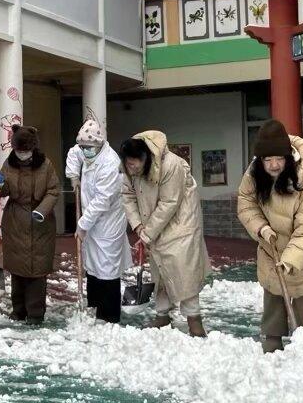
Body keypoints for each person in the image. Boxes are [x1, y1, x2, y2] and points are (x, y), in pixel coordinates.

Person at [237, 119, 303, 352]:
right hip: (272, 244)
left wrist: (290, 259)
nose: (273, 165)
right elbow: (246, 203)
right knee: (273, 292)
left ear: (288, 157)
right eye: (267, 159)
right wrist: (261, 228)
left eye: (279, 158)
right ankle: (272, 339)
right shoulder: (254, 175)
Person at [119, 132, 210, 336]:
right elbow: (127, 196)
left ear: (145, 158)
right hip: (152, 225)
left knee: (184, 271)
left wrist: (147, 233)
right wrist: (138, 226)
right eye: (128, 164)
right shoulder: (128, 168)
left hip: (180, 224)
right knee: (159, 272)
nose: (131, 169)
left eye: (134, 165)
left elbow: (169, 203)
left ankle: (194, 319)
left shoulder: (171, 165)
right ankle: (162, 315)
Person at [67, 117, 130, 324]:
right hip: (92, 217)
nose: (85, 151)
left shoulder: (110, 163)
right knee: (92, 263)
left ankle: (109, 314)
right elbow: (73, 153)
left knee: (106, 266)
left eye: (88, 147)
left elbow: (102, 201)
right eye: (83, 147)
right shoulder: (86, 149)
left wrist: (82, 225)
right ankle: (94, 304)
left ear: (99, 143)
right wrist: (73, 176)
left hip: (108, 222)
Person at [0, 125, 59, 324]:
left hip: (40, 222)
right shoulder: (9, 164)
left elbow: (53, 190)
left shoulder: (45, 165)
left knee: (36, 270)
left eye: (26, 151)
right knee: (17, 269)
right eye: (19, 151)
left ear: (33, 148)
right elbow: (2, 191)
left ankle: (35, 313)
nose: (22, 154)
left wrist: (42, 210)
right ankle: (18, 310)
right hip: (15, 221)